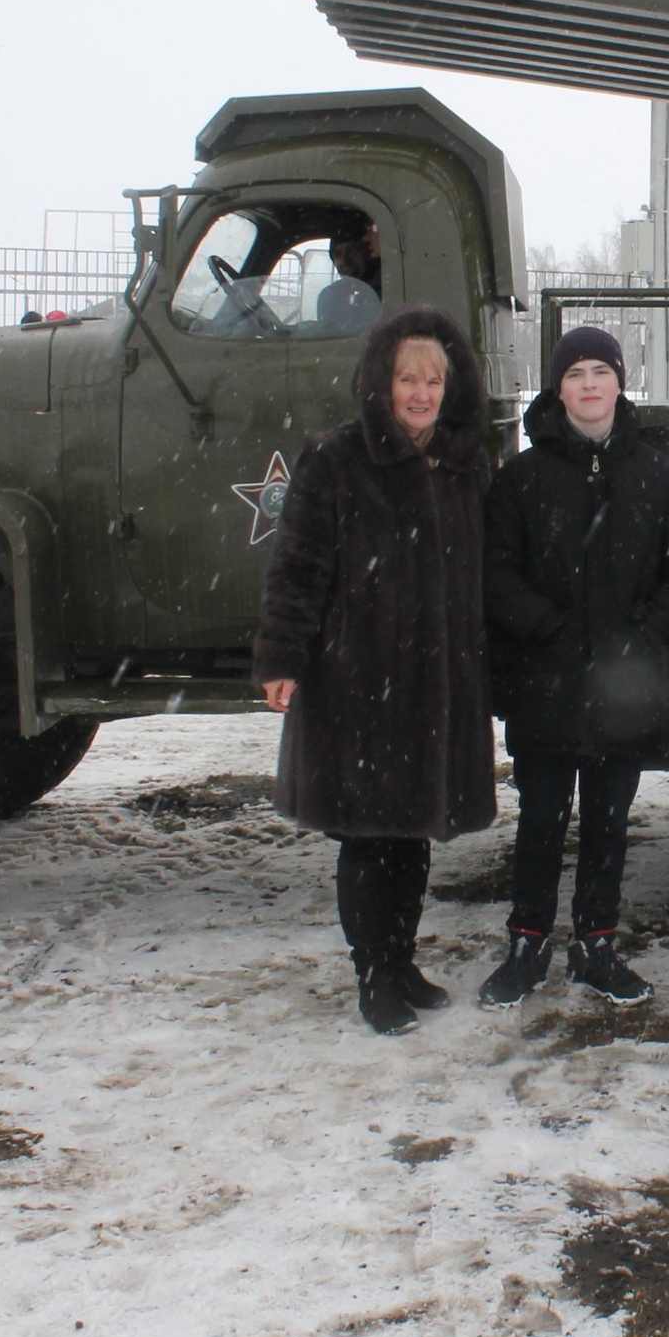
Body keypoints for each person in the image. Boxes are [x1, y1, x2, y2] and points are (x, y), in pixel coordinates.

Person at [254, 306, 497, 1035]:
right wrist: (282, 659)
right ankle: (373, 974)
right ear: (381, 383)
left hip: (438, 684)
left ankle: (402, 959)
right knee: (368, 835)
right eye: (407, 379)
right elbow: (297, 567)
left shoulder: (464, 465)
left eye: (433, 380)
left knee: (414, 831)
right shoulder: (335, 458)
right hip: (359, 678)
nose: (420, 393)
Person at [479, 325, 669, 1009]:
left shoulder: (656, 476)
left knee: (608, 822)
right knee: (541, 819)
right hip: (546, 681)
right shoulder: (521, 477)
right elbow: (496, 570)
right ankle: (527, 942)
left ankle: (596, 944)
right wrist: (545, 626)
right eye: (574, 374)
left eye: (599, 372)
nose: (588, 386)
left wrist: (645, 636)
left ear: (619, 382)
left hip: (624, 686)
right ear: (557, 387)